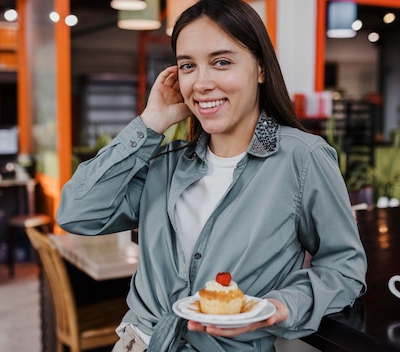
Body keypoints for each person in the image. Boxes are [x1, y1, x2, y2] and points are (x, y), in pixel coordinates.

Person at [56, 0, 367, 351]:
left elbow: (344, 267)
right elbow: (77, 212)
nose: (201, 83)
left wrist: (283, 305)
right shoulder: (167, 165)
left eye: (221, 62)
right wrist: (151, 122)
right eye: (188, 65)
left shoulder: (302, 159)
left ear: (260, 68)